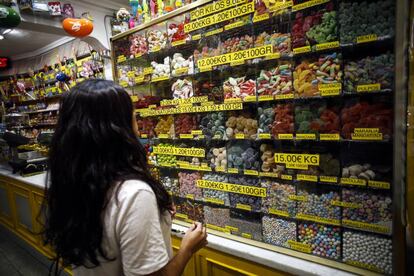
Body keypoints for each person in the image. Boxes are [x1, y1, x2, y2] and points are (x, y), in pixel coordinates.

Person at [42, 79, 207, 276]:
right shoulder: (134, 194)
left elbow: (109, 233)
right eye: (134, 117)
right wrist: (188, 247)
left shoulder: (74, 181)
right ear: (117, 128)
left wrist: (154, 215)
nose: (137, 125)